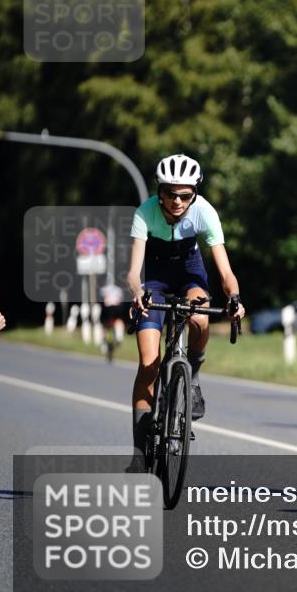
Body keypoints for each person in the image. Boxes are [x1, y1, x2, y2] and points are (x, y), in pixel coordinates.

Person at [126, 154, 245, 468]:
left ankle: (191, 376)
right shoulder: (145, 212)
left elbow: (225, 271)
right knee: (148, 364)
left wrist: (234, 298)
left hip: (190, 274)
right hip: (153, 278)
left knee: (199, 313)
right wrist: (138, 293)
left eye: (185, 195)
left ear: (194, 193)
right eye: (169, 193)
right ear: (159, 191)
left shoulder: (204, 212)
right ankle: (139, 454)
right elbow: (132, 272)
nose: (177, 201)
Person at [99, 281, 126, 350]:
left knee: (105, 325)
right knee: (117, 322)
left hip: (108, 308)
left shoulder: (103, 289)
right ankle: (117, 338)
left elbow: (101, 299)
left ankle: (104, 341)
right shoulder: (119, 290)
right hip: (115, 308)